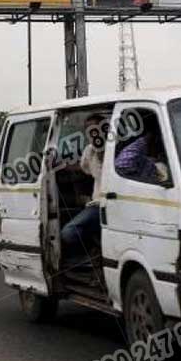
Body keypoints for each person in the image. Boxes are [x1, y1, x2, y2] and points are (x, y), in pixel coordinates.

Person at [60, 114, 107, 269]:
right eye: (88, 130)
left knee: (69, 232)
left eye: (94, 129)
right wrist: (61, 166)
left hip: (108, 204)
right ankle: (94, 257)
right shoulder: (89, 150)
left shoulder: (114, 149)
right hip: (95, 205)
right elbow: (83, 168)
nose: (91, 133)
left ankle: (91, 260)